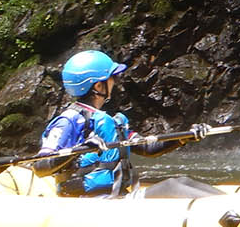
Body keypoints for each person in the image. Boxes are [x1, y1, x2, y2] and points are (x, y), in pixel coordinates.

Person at [36, 49, 222, 199]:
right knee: (173, 187)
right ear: (98, 86)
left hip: (117, 197)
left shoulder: (110, 122)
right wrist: (80, 149)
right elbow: (40, 166)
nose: (115, 82)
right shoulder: (68, 121)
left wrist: (185, 137)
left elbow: (148, 148)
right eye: (112, 78)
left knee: (182, 182)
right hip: (87, 201)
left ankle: (230, 206)